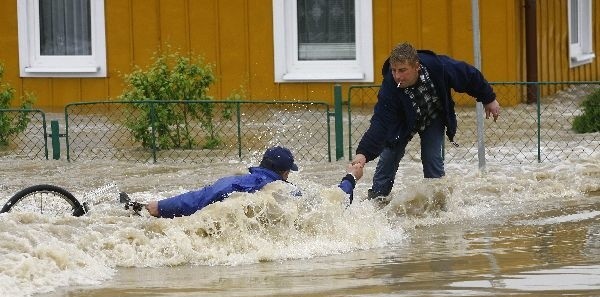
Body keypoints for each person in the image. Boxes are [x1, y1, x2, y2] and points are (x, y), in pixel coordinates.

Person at [351, 42, 501, 199]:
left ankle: (438, 203)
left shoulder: (439, 67)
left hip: (432, 117)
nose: (397, 76)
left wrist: (489, 99)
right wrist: (362, 154)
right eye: (394, 70)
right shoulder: (390, 86)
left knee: (432, 158)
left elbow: (469, 76)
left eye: (402, 70)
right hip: (402, 123)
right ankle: (377, 199)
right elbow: (380, 123)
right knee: (389, 155)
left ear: (417, 67)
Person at [145, 146, 364, 218]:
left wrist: (160, 207)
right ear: (285, 172)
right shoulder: (286, 191)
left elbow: (200, 198)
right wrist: (351, 177)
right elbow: (333, 203)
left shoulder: (237, 181)